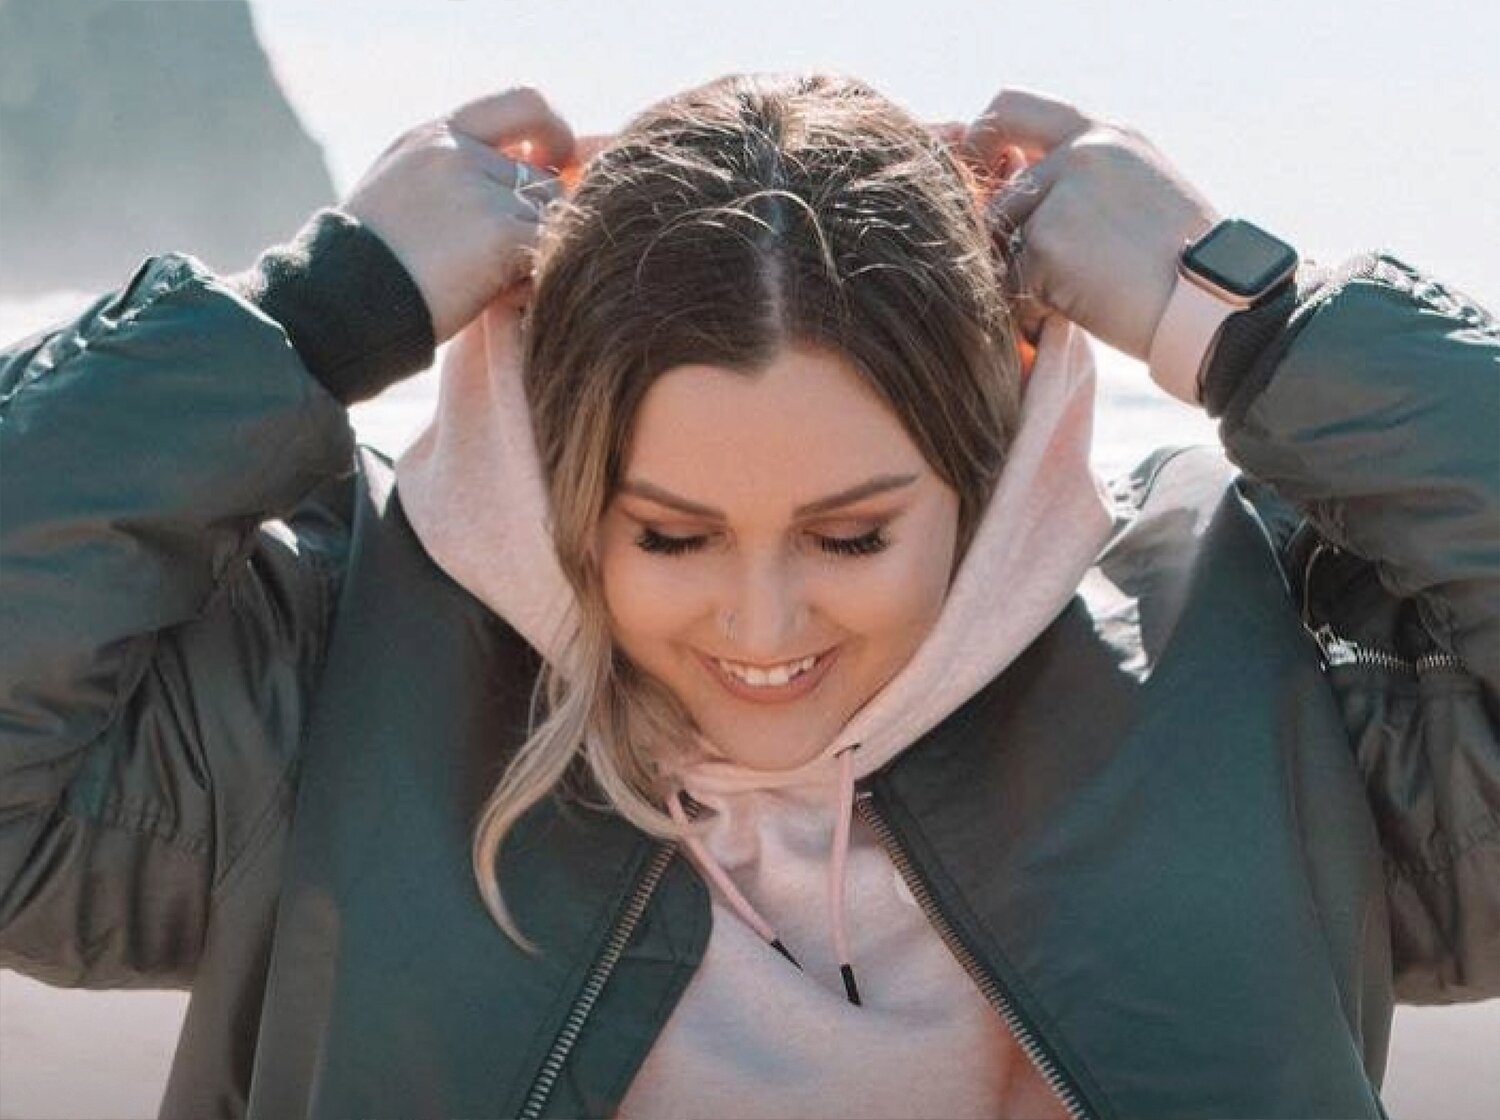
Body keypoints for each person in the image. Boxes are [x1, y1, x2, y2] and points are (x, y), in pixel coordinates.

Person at [0, 72, 1495, 1120]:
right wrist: (320, 310)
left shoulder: (1245, 675)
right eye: (668, 537)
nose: (763, 632)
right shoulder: (341, 679)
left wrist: (1247, 323)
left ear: (987, 466)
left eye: (851, 539)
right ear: (567, 475)